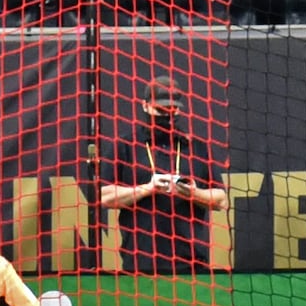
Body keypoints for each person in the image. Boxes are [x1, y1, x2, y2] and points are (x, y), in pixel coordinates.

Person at [95, 78, 228, 271]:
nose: (167, 115)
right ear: (146, 106)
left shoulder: (195, 146)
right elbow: (103, 197)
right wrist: (148, 189)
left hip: (191, 263)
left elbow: (221, 200)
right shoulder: (125, 145)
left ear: (179, 109)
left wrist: (191, 193)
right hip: (140, 262)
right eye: (161, 110)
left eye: (172, 110)